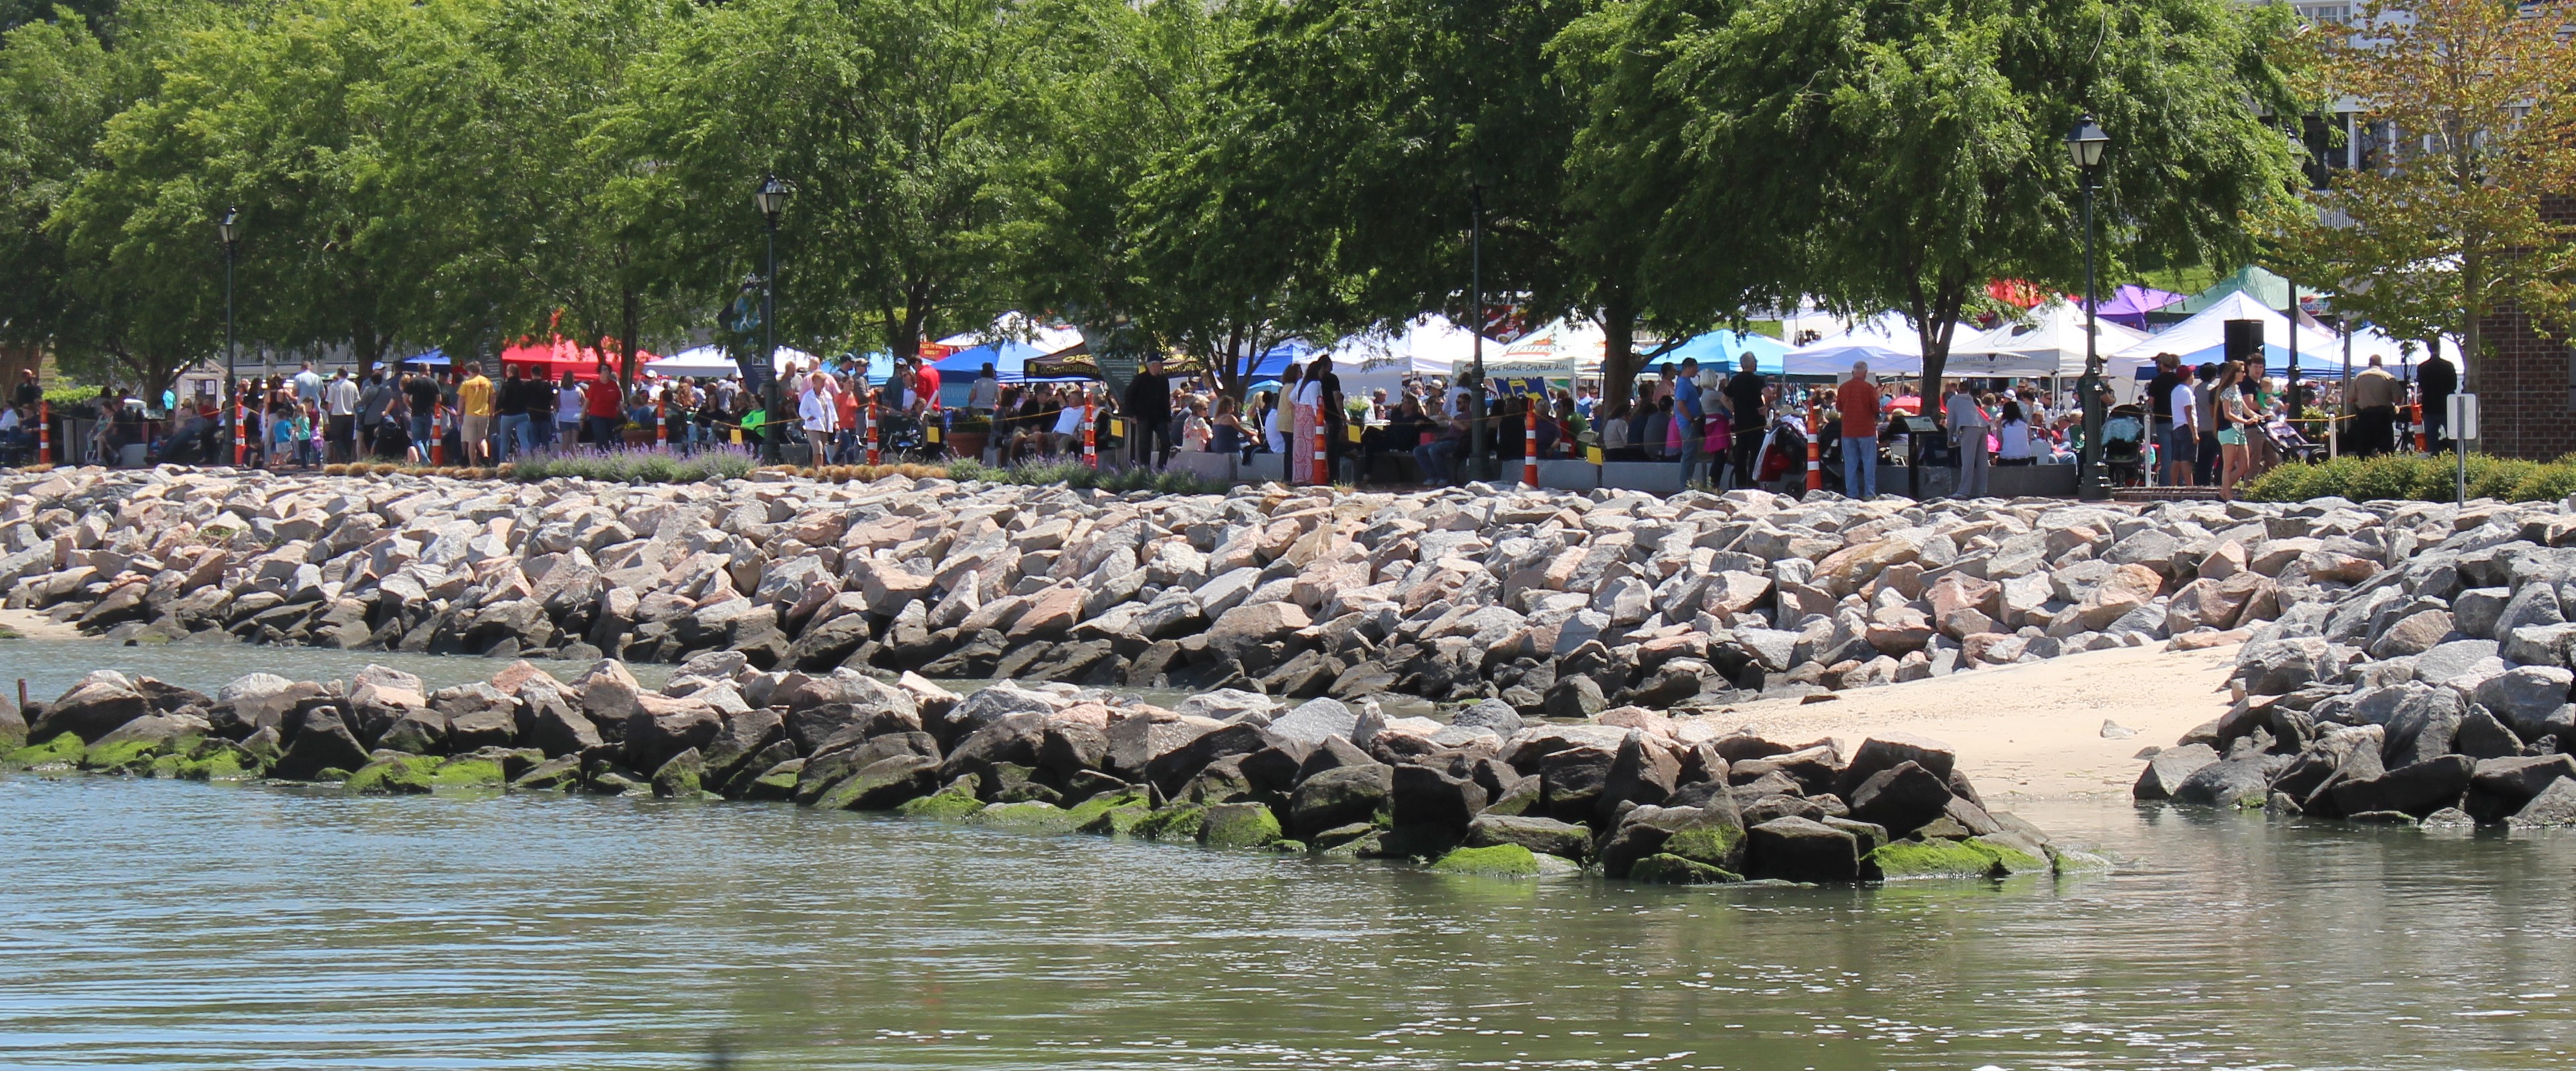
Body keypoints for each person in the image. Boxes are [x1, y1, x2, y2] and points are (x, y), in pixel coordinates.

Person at [1836, 360, 1882, 498]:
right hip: (1866, 430)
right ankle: (1869, 493)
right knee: (1869, 463)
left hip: (1848, 431)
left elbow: (1839, 408)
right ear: (1866, 373)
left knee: (1850, 464)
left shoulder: (1843, 388)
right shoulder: (1869, 389)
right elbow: (1876, 409)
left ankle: (1852, 494)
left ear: (1853, 372)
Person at [1723, 354, 1769, 488]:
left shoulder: (1735, 380)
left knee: (1741, 454)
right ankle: (1752, 481)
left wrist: (1734, 410)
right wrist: (1766, 406)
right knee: (1755, 453)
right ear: (1752, 363)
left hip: (1741, 422)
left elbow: (1724, 399)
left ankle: (1741, 483)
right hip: (1756, 422)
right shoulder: (1757, 380)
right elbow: (1767, 393)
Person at [1126, 355, 1173, 471]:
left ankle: (1161, 468)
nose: (1162, 366)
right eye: (1160, 364)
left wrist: (1168, 419)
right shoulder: (1140, 379)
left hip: (1159, 417)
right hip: (1144, 416)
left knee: (1166, 442)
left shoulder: (1163, 380)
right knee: (1145, 445)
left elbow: (1166, 400)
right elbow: (1128, 395)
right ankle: (1145, 470)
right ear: (1153, 365)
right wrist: (1131, 414)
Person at [2215, 361, 2254, 500]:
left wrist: (2257, 416)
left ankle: (2223, 492)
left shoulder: (2237, 389)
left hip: (2240, 430)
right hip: (2229, 430)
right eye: (2242, 372)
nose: (2244, 374)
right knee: (2229, 465)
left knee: (2245, 465)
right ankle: (2228, 496)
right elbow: (2228, 414)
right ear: (2234, 373)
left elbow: (2245, 409)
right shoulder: (2226, 392)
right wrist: (2245, 421)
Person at [1946, 379, 1990, 498]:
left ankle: (1964, 491)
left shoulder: (1952, 401)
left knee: (1968, 461)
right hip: (1983, 426)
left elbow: (1951, 423)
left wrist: (1950, 439)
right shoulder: (1970, 400)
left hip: (1969, 427)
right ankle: (1982, 490)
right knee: (1982, 461)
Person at [2145, 353, 2183, 485]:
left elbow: (2151, 402)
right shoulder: (2178, 380)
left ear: (2161, 364)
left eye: (2157, 363)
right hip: (2178, 420)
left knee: (2166, 455)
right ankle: (2180, 482)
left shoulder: (2156, 381)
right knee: (2179, 454)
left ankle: (2167, 483)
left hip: (2162, 421)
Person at [2419, 344, 2458, 452]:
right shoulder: (2448, 366)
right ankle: (2456, 458)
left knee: (2431, 442)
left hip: (2429, 407)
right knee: (2454, 439)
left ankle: (2434, 460)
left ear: (2428, 348)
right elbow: (2454, 386)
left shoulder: (2422, 368)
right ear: (2440, 348)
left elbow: (2422, 386)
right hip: (2446, 407)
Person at [1673, 357, 1706, 484]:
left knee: (1691, 456)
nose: (1697, 370)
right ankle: (1684, 485)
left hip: (1689, 423)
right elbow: (1680, 404)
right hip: (1688, 424)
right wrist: (1691, 419)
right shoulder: (1683, 384)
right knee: (1688, 456)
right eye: (1696, 368)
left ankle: (1687, 483)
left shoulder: (1686, 383)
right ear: (1689, 368)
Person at [494, 364, 534, 461]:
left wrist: (497, 409)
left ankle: (502, 462)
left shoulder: (506, 385)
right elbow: (528, 399)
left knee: (505, 441)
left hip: (508, 415)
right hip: (522, 414)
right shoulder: (523, 385)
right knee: (524, 440)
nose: (506, 373)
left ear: (511, 372)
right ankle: (528, 462)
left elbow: (501, 400)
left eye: (507, 371)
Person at [456, 363, 494, 464]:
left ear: (470, 372)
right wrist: (492, 412)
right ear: (480, 370)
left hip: (470, 414)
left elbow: (461, 400)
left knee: (471, 442)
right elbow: (492, 398)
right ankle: (486, 455)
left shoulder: (466, 383)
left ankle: (473, 465)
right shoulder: (487, 382)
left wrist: (459, 413)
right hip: (484, 414)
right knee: (482, 439)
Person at [2192, 364, 2222, 488]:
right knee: (2211, 458)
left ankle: (2200, 482)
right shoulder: (2213, 389)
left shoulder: (2197, 389)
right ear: (2214, 376)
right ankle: (2209, 482)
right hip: (2212, 427)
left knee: (2202, 458)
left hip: (2201, 427)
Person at [322, 368, 361, 464]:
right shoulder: (353, 385)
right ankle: (347, 459)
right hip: (350, 415)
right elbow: (357, 401)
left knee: (336, 437)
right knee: (348, 439)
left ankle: (345, 458)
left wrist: (329, 413)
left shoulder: (334, 386)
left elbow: (330, 403)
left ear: (338, 374)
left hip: (337, 415)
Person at [403, 370, 440, 462]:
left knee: (417, 439)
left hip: (416, 414)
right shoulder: (433, 382)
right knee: (426, 439)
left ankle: (425, 461)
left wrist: (412, 406)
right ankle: (424, 461)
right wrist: (432, 405)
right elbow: (439, 399)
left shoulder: (414, 382)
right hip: (429, 414)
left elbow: (405, 398)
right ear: (428, 371)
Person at [583, 372, 625, 450]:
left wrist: (624, 412)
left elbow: (620, 401)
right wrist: (583, 416)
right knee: (602, 436)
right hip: (598, 414)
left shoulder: (616, 386)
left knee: (610, 436)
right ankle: (603, 453)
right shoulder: (596, 386)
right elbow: (588, 401)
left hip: (612, 414)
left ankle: (609, 452)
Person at [1995, 401, 2034, 467]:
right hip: (2025, 458)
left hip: (2007, 458)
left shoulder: (2002, 425)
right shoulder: (2025, 424)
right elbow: (2029, 441)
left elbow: (2001, 444)